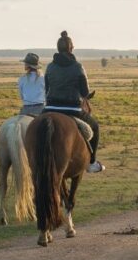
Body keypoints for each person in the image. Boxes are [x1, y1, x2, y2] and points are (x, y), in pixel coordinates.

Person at [43, 31, 105, 173]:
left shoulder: (50, 67)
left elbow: (46, 89)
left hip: (50, 108)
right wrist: (87, 96)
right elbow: (84, 93)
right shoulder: (78, 67)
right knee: (95, 127)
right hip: (72, 109)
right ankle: (92, 162)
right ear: (71, 48)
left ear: (58, 48)